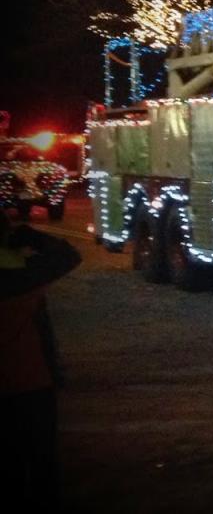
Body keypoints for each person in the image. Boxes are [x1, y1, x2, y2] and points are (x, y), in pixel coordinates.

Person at [1, 211, 82, 507]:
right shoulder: (24, 275)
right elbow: (68, 255)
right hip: (32, 385)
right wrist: (29, 236)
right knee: (41, 466)